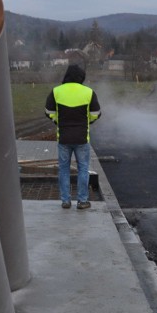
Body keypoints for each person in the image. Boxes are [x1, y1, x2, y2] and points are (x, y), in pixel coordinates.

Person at [45, 65, 101, 209]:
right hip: (82, 138)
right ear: (81, 77)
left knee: (63, 169)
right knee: (83, 168)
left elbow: (48, 111)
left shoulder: (56, 91)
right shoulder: (88, 92)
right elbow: (96, 113)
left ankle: (65, 201)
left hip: (63, 138)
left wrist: (58, 120)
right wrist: (87, 121)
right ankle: (82, 201)